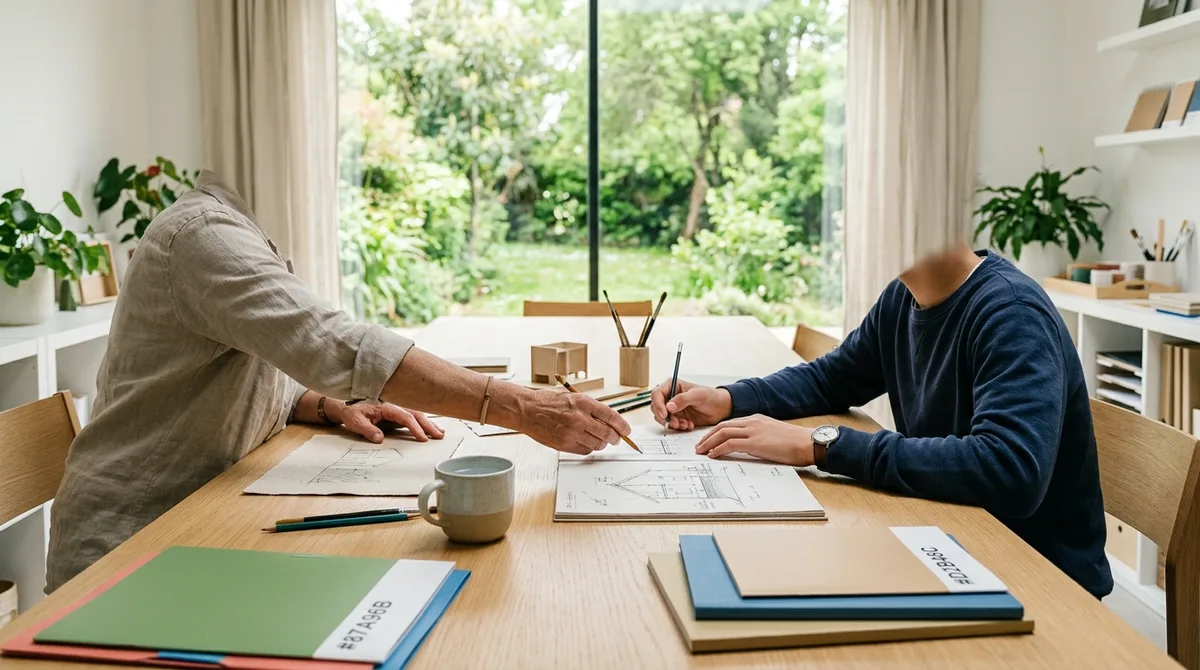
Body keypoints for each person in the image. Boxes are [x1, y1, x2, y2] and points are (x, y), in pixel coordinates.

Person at [46, 171, 630, 592]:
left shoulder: (226, 229)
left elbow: (231, 366)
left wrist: (320, 404)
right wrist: (520, 406)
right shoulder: (205, 236)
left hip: (196, 518)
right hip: (131, 541)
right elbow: (332, 341)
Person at [649, 242, 1112, 599]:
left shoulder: (1011, 313)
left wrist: (823, 444)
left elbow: (1011, 468)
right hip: (953, 539)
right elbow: (832, 379)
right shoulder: (904, 298)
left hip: (1038, 580)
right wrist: (729, 398)